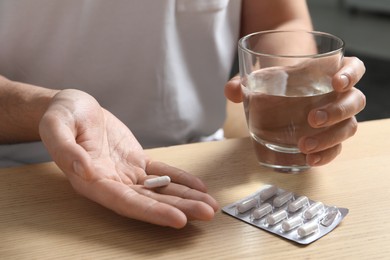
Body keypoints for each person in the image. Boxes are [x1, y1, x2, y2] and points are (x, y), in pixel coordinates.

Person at [0, 0, 365, 228]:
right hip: (24, 175)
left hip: (206, 173)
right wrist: (44, 108)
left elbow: (282, 18)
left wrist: (294, 83)